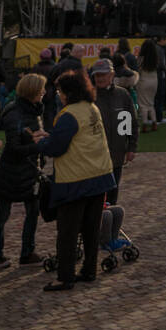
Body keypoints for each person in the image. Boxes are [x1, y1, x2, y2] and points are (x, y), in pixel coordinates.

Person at [39, 69, 116, 292]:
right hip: (100, 175)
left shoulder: (68, 114)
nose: (58, 95)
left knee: (68, 232)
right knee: (91, 229)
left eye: (60, 91)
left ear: (68, 93)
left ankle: (65, 277)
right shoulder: (92, 108)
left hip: (76, 179)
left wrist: (40, 143)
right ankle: (89, 270)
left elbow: (56, 147)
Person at [0, 73, 48, 269]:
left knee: (33, 211)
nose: (44, 93)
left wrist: (40, 142)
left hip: (31, 170)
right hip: (12, 171)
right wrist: (37, 144)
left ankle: (27, 252)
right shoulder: (14, 113)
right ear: (32, 91)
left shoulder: (35, 110)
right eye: (41, 90)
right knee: (3, 213)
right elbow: (14, 147)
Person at [90, 57, 138, 203]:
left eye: (103, 74)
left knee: (113, 191)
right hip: (95, 157)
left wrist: (131, 147)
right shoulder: (89, 97)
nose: (100, 78)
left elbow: (131, 123)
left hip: (117, 154)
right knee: (96, 195)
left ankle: (111, 224)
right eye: (97, 75)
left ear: (111, 75)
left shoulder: (122, 95)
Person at [135, 39, 159, 134]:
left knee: (142, 104)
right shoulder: (155, 58)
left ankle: (144, 124)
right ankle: (154, 122)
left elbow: (138, 70)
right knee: (150, 103)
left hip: (143, 81)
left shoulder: (141, 58)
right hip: (154, 81)